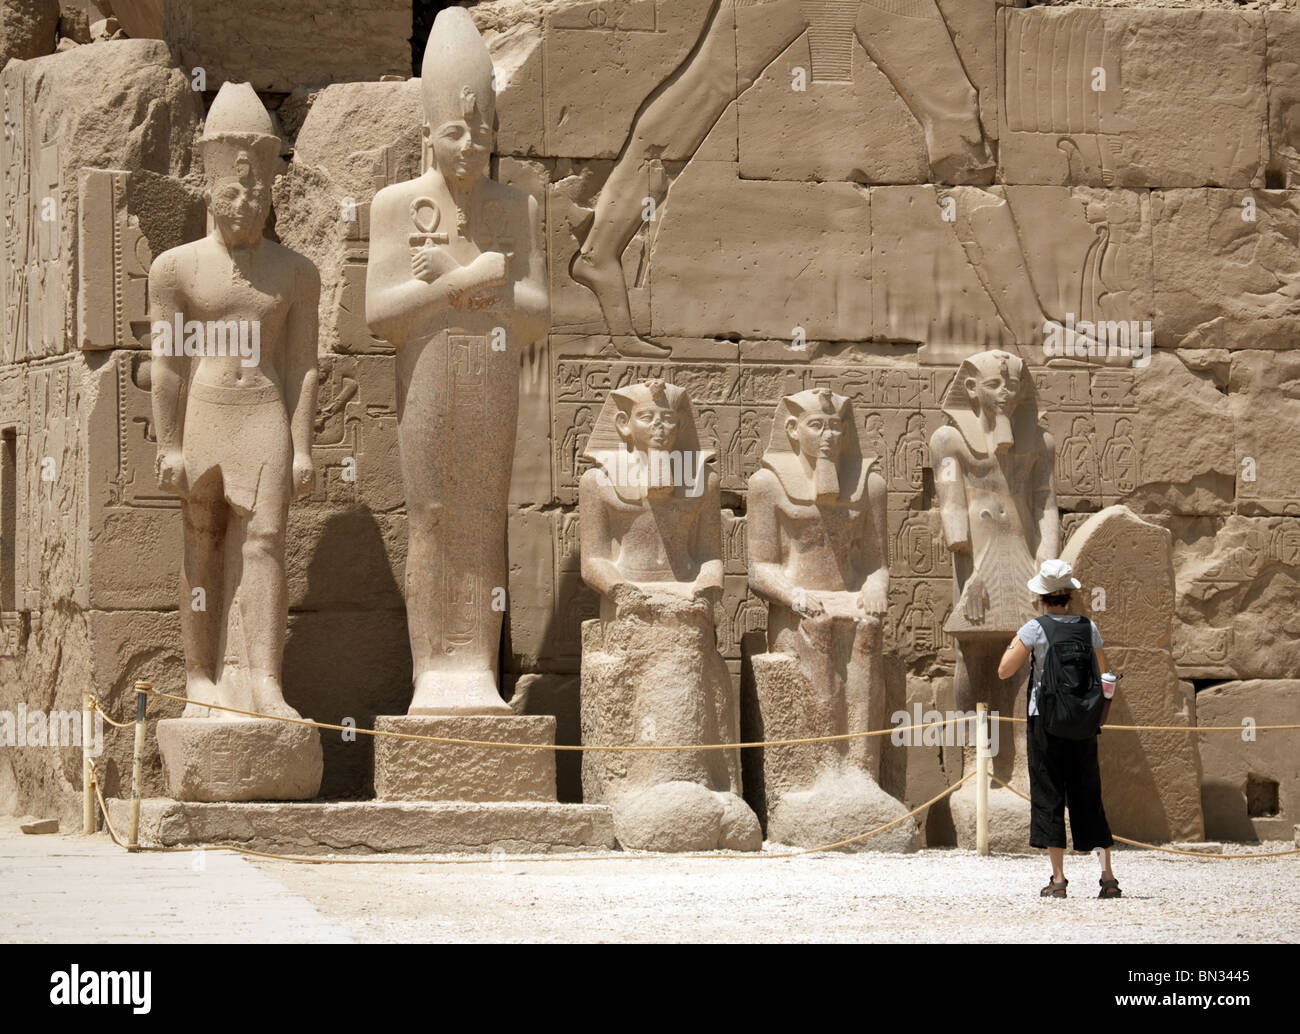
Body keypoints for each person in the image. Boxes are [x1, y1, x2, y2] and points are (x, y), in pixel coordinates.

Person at [997, 559, 1122, 900]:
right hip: (1082, 724)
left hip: (1047, 723)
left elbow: (1004, 671)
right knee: (1089, 796)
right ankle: (1108, 878)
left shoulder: (1034, 629)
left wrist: (1019, 643)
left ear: (1042, 596)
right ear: (1069, 595)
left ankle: (1058, 879)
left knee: (1049, 795)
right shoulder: (1087, 627)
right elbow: (1105, 674)